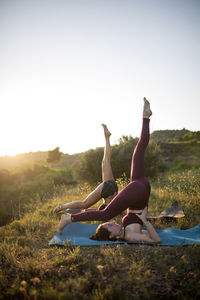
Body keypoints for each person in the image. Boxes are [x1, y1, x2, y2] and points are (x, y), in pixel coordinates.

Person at [56, 97, 161, 243]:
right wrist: (146, 221)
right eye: (110, 226)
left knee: (139, 150)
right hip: (138, 191)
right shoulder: (130, 237)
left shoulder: (125, 232)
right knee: (105, 214)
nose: (113, 223)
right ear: (112, 236)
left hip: (140, 189)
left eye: (110, 224)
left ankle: (146, 117)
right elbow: (157, 240)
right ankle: (69, 218)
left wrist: (143, 218)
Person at [54, 124, 118, 214]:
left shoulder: (115, 204)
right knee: (84, 204)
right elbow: (84, 207)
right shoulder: (111, 203)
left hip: (113, 187)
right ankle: (63, 206)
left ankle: (107, 138)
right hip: (109, 190)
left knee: (106, 160)